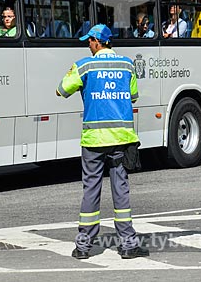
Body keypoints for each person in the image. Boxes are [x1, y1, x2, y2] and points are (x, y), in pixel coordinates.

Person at [56, 24, 149, 260]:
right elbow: (134, 96)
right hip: (121, 139)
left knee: (91, 190)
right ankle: (128, 245)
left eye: (90, 41)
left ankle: (84, 247)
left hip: (94, 141)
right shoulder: (127, 65)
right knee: (121, 192)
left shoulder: (85, 66)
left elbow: (61, 90)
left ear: (98, 41)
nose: (88, 44)